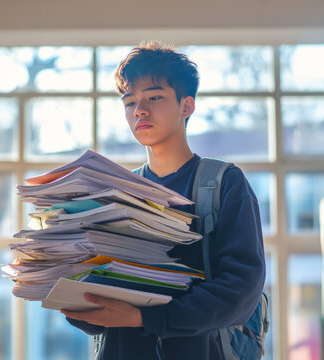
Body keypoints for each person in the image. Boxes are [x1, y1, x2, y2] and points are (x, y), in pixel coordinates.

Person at [61, 41, 266, 360]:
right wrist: (75, 297)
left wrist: (146, 318)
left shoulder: (223, 183)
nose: (139, 110)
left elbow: (240, 292)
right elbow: (101, 302)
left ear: (187, 106)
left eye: (153, 97)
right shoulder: (115, 192)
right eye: (130, 102)